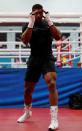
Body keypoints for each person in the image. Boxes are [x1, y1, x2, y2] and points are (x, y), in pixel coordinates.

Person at [17, 4, 61, 130]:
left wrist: (49, 21)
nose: (38, 15)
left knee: (52, 83)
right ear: (32, 13)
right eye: (35, 13)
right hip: (34, 59)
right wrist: (30, 23)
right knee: (27, 89)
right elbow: (25, 41)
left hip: (47, 58)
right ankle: (27, 112)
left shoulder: (48, 24)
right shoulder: (27, 26)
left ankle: (54, 119)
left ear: (43, 13)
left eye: (40, 13)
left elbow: (58, 36)